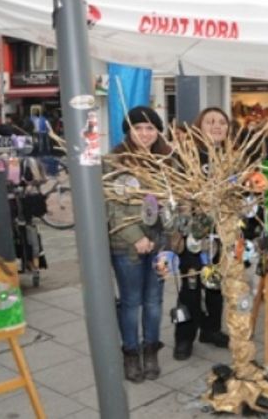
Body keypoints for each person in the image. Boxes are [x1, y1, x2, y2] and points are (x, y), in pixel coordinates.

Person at [107, 106, 172, 383]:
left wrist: (167, 239)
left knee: (155, 301)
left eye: (150, 128)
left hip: (159, 243)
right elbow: (113, 206)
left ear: (158, 131)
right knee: (132, 301)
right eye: (138, 128)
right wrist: (137, 237)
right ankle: (131, 353)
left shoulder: (167, 161)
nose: (145, 134)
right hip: (127, 245)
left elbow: (175, 203)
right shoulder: (115, 162)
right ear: (128, 131)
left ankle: (151, 349)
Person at [173, 108, 232, 360]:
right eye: (210, 121)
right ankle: (184, 336)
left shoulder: (230, 157)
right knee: (191, 286)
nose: (217, 126)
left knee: (216, 285)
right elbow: (179, 195)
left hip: (222, 234)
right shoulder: (189, 156)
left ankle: (211, 329)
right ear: (199, 126)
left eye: (221, 122)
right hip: (195, 234)